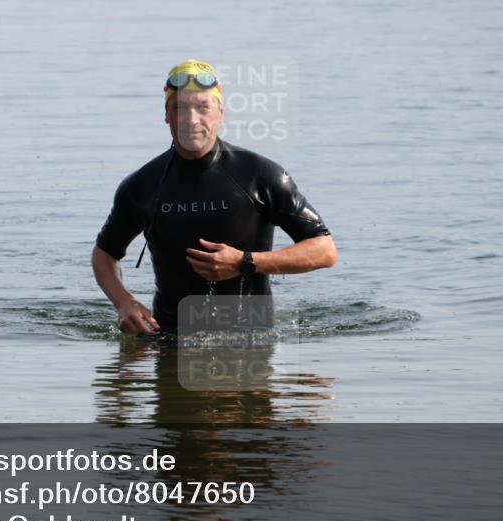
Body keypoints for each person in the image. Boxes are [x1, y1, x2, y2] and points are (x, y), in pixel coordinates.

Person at [92, 59, 337, 334]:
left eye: (202, 107)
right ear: (166, 115)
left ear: (220, 111)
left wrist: (245, 262)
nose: (191, 119)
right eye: (180, 108)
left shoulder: (261, 175)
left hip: (250, 340)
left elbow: (324, 250)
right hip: (169, 340)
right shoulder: (141, 186)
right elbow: (104, 254)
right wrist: (124, 302)